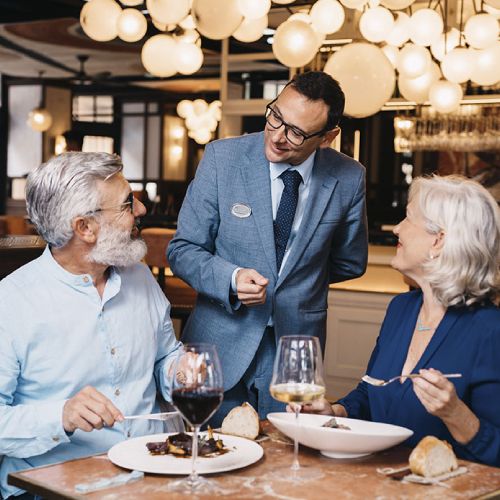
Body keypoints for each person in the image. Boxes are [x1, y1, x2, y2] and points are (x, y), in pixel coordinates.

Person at [168, 71, 368, 425]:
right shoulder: (222, 158)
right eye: (275, 116)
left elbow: (350, 263)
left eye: (296, 132)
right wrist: (230, 278)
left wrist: (295, 285)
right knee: (208, 456)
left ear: (328, 137)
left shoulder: (349, 177)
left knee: (287, 462)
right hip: (217, 346)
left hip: (296, 351)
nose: (277, 136)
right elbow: (182, 249)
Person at [0, 152, 185, 499]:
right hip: (51, 487)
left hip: (151, 473)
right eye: (128, 204)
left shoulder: (140, 277)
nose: (141, 211)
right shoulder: (10, 303)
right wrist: (61, 415)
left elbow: (165, 357)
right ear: (85, 227)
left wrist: (182, 371)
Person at [301, 175, 500, 466]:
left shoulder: (490, 330)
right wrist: (337, 412)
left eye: (408, 219)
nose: (397, 228)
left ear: (439, 240)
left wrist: (456, 414)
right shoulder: (401, 309)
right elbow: (371, 394)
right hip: (380, 482)